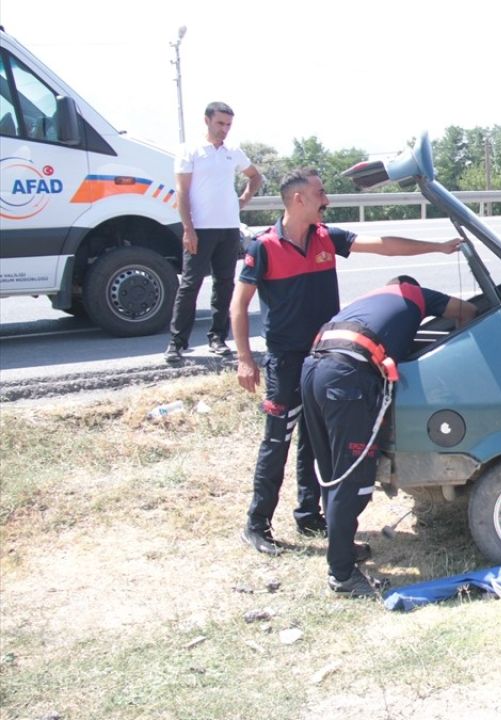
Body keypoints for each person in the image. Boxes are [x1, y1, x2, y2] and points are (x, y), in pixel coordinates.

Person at [231, 168, 462, 556]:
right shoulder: (263, 247)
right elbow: (238, 306)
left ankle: (309, 515)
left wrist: (437, 247)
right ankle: (257, 525)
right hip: (286, 362)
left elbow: (384, 245)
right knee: (277, 442)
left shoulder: (327, 238)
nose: (327, 199)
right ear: (298, 199)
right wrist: (243, 358)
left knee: (315, 442)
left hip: (322, 359)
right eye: (321, 193)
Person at [302, 276, 475, 597]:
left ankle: (341, 548)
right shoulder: (416, 295)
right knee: (352, 478)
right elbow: (467, 310)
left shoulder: (371, 299)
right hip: (346, 376)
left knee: (331, 468)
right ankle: (341, 575)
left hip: (313, 366)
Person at [164, 102, 262, 363]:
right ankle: (177, 342)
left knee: (225, 284)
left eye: (228, 125)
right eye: (220, 123)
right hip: (200, 229)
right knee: (190, 284)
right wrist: (188, 228)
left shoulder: (233, 151)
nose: (224, 129)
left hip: (228, 228)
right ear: (207, 121)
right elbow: (182, 192)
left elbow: (255, 176)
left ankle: (218, 338)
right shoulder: (191, 150)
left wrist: (242, 200)